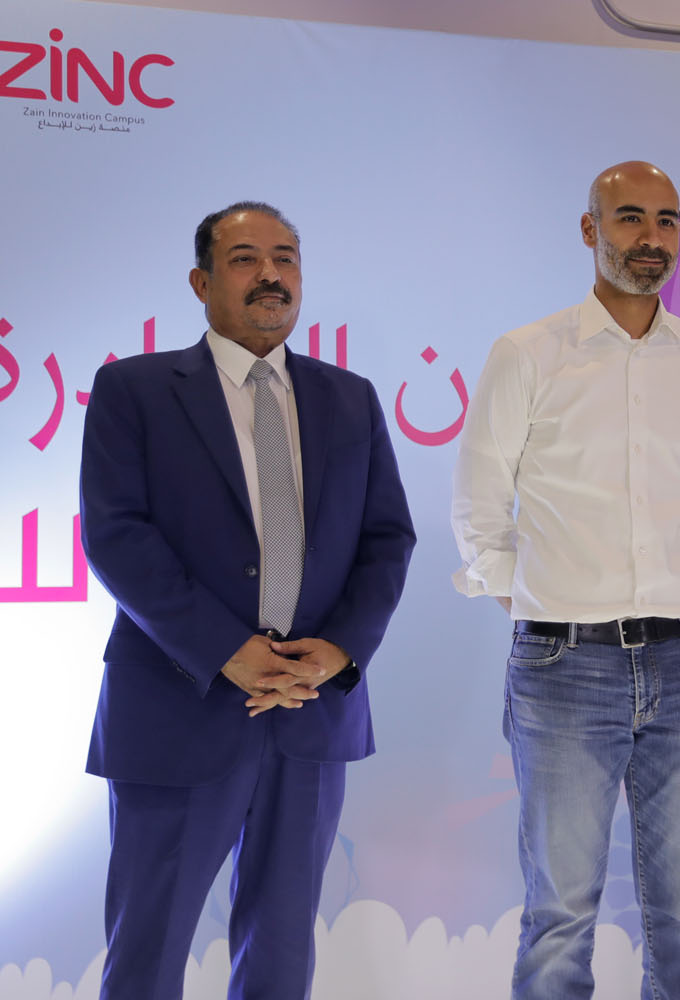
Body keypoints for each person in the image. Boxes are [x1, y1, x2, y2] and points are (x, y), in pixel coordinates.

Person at [78, 201, 416, 1000]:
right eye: (244, 259)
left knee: (281, 952)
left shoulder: (351, 398)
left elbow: (387, 538)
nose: (271, 274)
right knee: (148, 949)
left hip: (309, 711)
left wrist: (340, 652)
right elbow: (117, 535)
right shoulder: (135, 389)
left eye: (285, 258)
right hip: (179, 708)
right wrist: (225, 650)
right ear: (201, 282)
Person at [451, 161, 680, 999]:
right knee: (560, 915)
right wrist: (548, 603)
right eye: (629, 218)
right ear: (590, 230)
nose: (651, 238)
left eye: (665, 220)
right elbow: (479, 505)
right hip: (564, 664)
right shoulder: (528, 353)